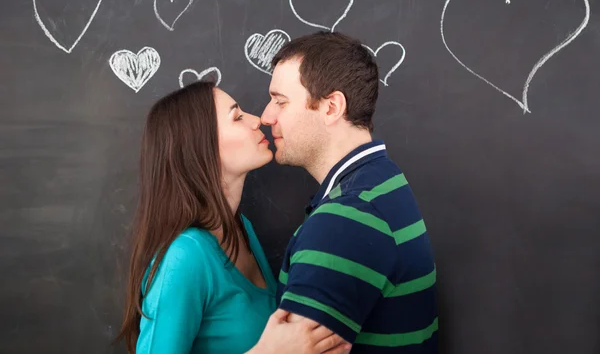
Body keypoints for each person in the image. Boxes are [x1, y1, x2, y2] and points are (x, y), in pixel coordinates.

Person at [115, 80, 350, 354]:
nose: (257, 120)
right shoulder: (184, 258)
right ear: (201, 147)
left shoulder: (241, 229)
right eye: (237, 117)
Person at [258, 31, 439, 353]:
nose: (266, 116)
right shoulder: (383, 179)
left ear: (331, 107)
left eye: (280, 102)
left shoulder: (344, 221)